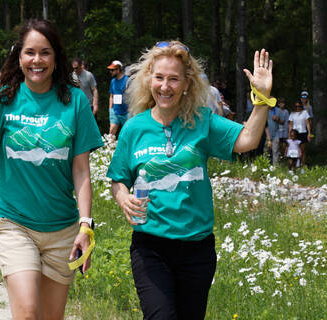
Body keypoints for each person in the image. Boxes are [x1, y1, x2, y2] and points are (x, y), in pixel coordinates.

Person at [106, 41, 274, 319]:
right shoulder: (134, 128)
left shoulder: (202, 121)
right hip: (151, 247)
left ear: (187, 84)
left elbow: (248, 140)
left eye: (174, 79)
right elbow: (118, 179)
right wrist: (123, 197)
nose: (165, 86)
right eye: (159, 77)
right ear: (149, 79)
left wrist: (263, 98)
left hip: (197, 249)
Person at [0, 19, 103, 320]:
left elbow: (81, 172)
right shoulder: (4, 100)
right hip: (15, 224)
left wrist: (85, 224)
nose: (37, 60)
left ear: (56, 58)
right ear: (19, 57)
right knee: (28, 313)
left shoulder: (75, 101)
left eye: (45, 52)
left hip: (63, 230)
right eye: (30, 52)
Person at [107, 60, 129, 137]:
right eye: (110, 70)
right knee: (111, 132)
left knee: (127, 133)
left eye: (112, 70)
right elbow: (111, 96)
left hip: (126, 112)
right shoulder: (113, 81)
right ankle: (109, 148)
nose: (110, 71)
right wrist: (110, 109)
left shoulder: (127, 80)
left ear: (118, 69)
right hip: (114, 111)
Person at [288, 100, 311, 167]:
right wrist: (289, 134)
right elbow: (290, 125)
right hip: (294, 134)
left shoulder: (305, 113)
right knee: (295, 150)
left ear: (301, 106)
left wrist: (309, 133)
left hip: (303, 133)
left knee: (303, 150)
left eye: (299, 106)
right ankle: (295, 165)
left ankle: (303, 165)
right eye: (296, 106)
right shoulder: (292, 114)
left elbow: (307, 123)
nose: (297, 108)